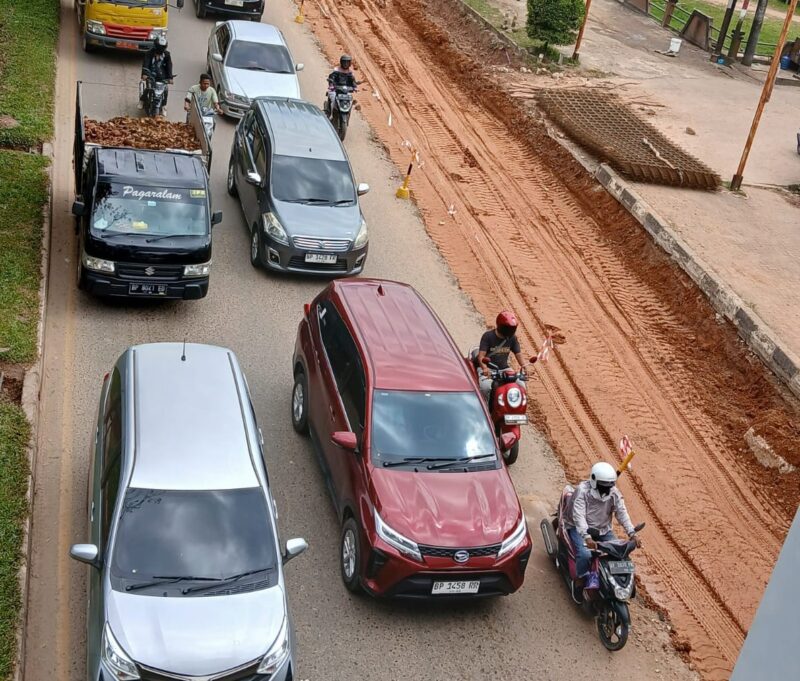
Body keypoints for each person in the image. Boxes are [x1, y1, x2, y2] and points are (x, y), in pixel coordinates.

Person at [564, 462, 641, 589]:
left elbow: (622, 513)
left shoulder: (614, 493)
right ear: (594, 481)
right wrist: (587, 537)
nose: (606, 489)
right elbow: (579, 516)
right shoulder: (582, 492)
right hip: (580, 530)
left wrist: (632, 533)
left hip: (603, 530)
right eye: (603, 486)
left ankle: (615, 582)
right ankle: (580, 578)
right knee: (585, 555)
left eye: (609, 486)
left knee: (618, 553)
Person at [476, 311, 528, 402]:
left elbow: (518, 354)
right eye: (508, 328)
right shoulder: (488, 336)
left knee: (521, 385)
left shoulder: (512, 338)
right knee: (485, 388)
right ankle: (485, 412)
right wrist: (484, 368)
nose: (510, 331)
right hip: (488, 369)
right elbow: (481, 356)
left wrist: (525, 367)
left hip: (504, 369)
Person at [139, 36, 173, 111]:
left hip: (162, 76)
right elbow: (146, 63)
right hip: (150, 75)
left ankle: (164, 105)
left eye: (162, 47)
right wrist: (145, 74)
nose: (161, 49)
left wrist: (170, 78)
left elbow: (169, 66)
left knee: (165, 90)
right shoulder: (149, 53)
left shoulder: (167, 55)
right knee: (148, 88)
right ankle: (142, 100)